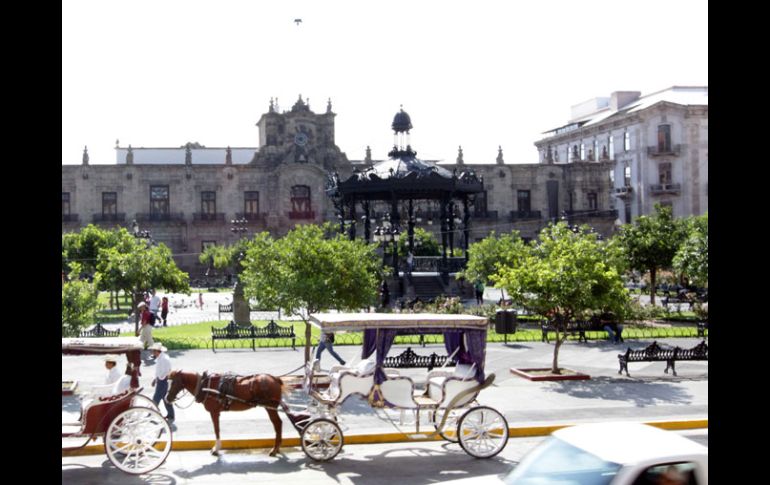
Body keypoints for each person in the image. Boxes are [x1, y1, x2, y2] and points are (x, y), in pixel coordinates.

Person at [150, 343, 175, 423]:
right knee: (165, 399)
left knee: (156, 399)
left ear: (157, 351)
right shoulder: (161, 358)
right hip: (161, 381)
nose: (152, 353)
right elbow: (159, 371)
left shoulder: (164, 359)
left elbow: (165, 371)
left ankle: (151, 414)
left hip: (163, 381)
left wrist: (158, 379)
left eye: (153, 351)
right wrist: (155, 379)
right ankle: (170, 415)